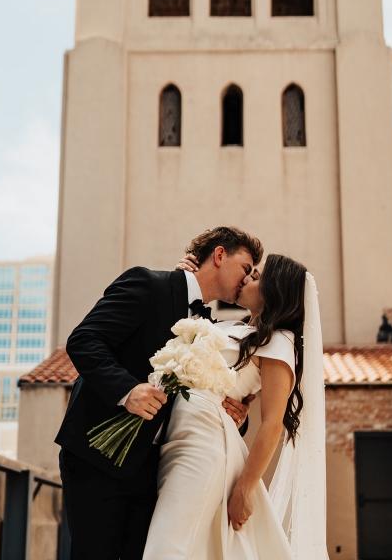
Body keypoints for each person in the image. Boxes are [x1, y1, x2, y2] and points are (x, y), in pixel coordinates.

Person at [55, 227, 263, 560]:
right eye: (247, 266)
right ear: (220, 255)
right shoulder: (148, 284)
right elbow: (84, 340)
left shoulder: (210, 326)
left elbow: (198, 396)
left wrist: (235, 417)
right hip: (99, 456)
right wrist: (127, 390)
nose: (249, 277)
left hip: (156, 469)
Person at [142, 252, 328, 559]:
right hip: (175, 439)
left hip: (205, 444)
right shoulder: (233, 327)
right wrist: (186, 279)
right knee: (188, 547)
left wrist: (245, 488)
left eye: (256, 277)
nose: (247, 278)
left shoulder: (280, 341)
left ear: (275, 291)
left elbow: (271, 422)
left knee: (168, 547)